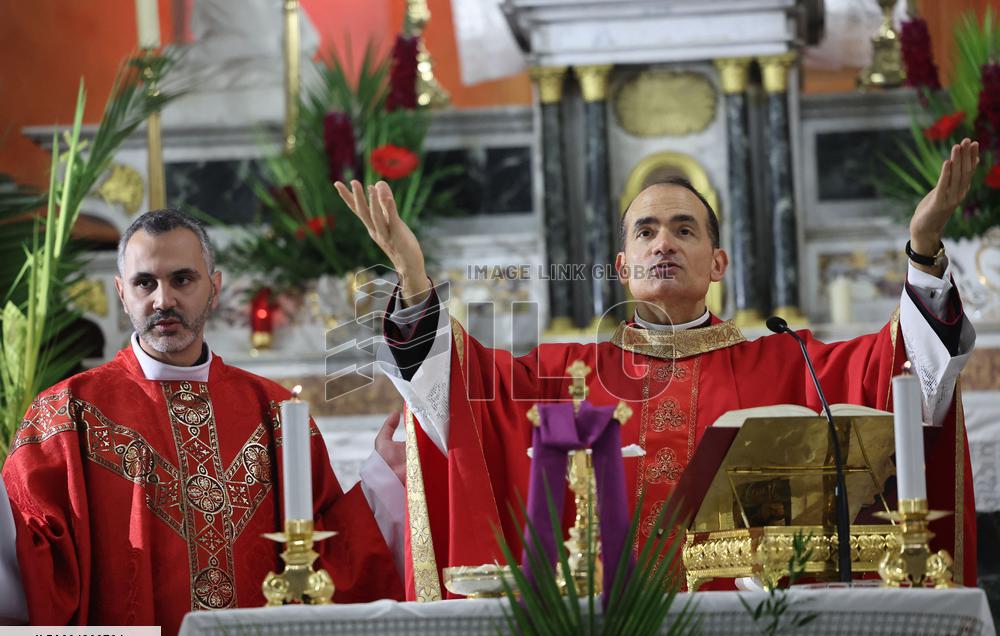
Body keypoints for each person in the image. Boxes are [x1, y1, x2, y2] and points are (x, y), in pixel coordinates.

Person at [335, 139, 980, 600]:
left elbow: (902, 377)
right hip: (603, 628)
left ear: (717, 263)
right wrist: (414, 279)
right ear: (623, 265)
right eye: (645, 232)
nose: (663, 243)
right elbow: (463, 395)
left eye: (683, 230)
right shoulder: (565, 374)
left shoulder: (790, 363)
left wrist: (923, 252)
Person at [0, 210, 405, 636]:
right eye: (144, 283)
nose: (163, 299)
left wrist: (384, 481)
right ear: (121, 292)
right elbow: (32, 567)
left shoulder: (274, 412)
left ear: (214, 287)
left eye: (182, 279)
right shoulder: (66, 414)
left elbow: (330, 555)